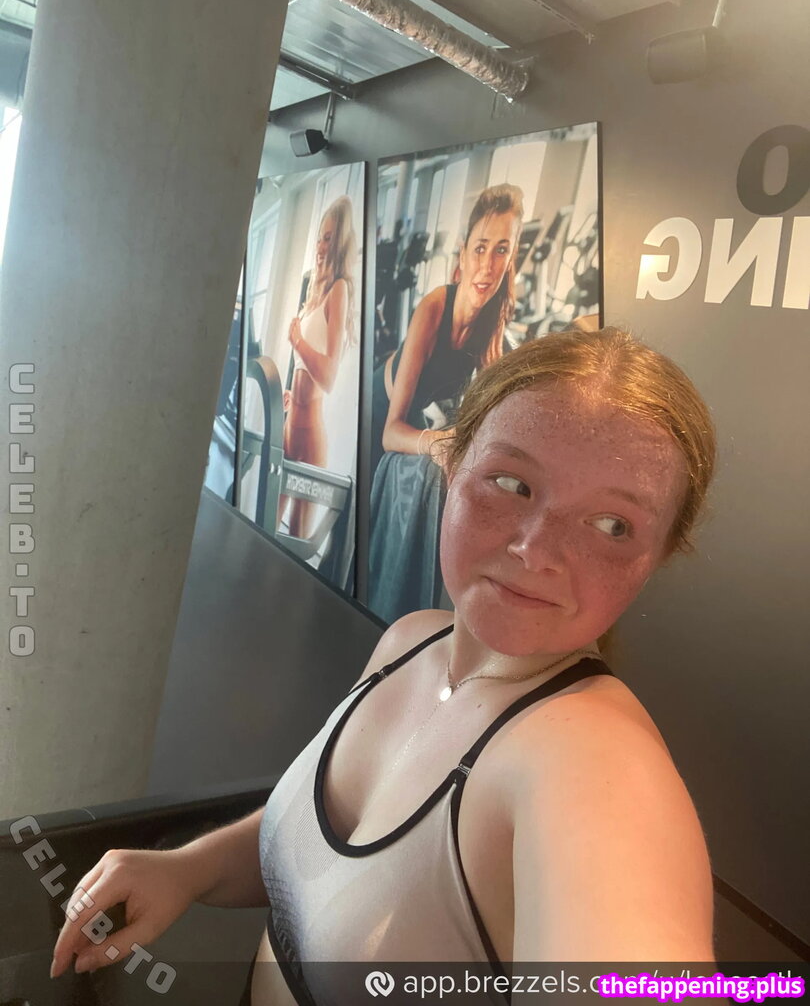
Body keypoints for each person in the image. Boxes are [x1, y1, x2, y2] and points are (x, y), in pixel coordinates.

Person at [50, 328, 718, 1003]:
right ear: (452, 465)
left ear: (658, 557)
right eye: (513, 483)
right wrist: (189, 869)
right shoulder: (410, 642)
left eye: (612, 526)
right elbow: (316, 856)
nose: (536, 549)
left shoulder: (596, 768)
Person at [370, 183, 524, 478]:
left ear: (510, 259)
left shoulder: (492, 323)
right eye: (480, 248)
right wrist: (439, 442)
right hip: (379, 414)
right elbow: (391, 433)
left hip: (413, 419)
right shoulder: (434, 307)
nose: (487, 266)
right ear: (463, 255)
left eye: (501, 250)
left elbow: (492, 415)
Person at [278, 195, 356, 540]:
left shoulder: (339, 290)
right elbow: (305, 367)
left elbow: (328, 376)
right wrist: (291, 392)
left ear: (341, 244)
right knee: (267, 525)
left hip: (310, 437)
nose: (321, 246)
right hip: (289, 427)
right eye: (320, 238)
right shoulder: (316, 291)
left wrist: (297, 341)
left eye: (329, 238)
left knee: (295, 539)